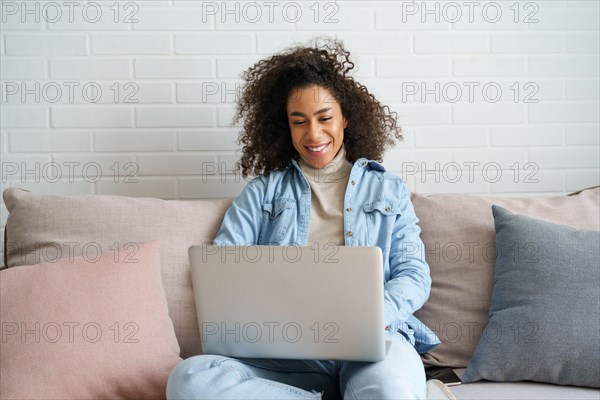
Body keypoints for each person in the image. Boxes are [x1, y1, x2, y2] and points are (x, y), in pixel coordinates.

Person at [167, 38, 440, 400]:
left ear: (345, 118)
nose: (313, 134)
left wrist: (374, 316)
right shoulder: (262, 193)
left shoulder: (388, 190)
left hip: (374, 344)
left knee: (391, 389)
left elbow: (414, 274)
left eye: (325, 118)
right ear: (286, 126)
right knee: (189, 379)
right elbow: (224, 267)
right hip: (281, 354)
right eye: (299, 122)